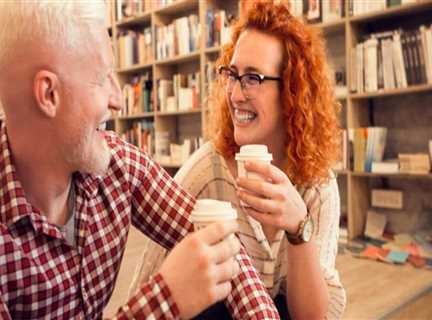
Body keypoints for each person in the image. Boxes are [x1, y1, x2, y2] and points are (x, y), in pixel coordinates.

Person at [0, 1, 280, 319]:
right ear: (49, 94)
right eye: (102, 78)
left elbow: (227, 251)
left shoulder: (119, 165)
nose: (119, 100)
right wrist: (164, 301)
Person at [131, 1, 347, 319]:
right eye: (232, 75)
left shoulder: (318, 186)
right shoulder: (205, 173)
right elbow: (148, 286)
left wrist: (299, 226)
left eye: (253, 78)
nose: (234, 94)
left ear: (292, 89)